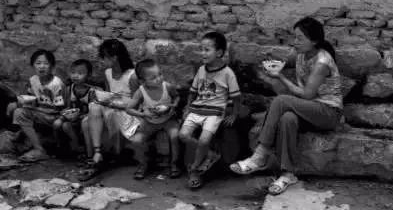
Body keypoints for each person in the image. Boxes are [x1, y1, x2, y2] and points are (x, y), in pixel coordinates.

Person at [230, 17, 343, 195]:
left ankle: (260, 154)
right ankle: (287, 174)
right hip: (308, 109)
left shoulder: (322, 62)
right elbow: (283, 61)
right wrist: (270, 64)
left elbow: (307, 94)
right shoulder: (300, 53)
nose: (294, 42)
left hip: (328, 113)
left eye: (300, 38)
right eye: (294, 37)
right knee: (287, 119)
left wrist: (281, 77)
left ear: (314, 41)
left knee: (281, 100)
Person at [179, 31, 241, 189]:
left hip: (215, 112)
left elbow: (236, 96)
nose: (203, 53)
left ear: (219, 53)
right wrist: (187, 107)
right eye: (201, 49)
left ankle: (194, 169)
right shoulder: (201, 69)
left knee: (204, 140)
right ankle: (210, 154)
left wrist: (234, 114)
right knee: (183, 135)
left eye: (207, 50)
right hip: (197, 109)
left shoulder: (227, 73)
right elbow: (192, 91)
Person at [80, 39, 139, 179]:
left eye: (104, 57)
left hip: (127, 112)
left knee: (95, 110)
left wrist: (114, 103)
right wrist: (102, 98)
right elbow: (108, 94)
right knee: (88, 116)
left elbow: (136, 103)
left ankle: (98, 155)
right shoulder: (107, 73)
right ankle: (95, 154)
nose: (101, 61)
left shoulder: (132, 76)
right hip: (111, 108)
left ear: (114, 58)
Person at [126, 59, 181, 180]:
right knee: (136, 141)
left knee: (175, 136)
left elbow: (177, 97)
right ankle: (143, 164)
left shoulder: (167, 86)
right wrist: (143, 115)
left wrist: (171, 106)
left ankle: (174, 164)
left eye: (160, 74)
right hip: (149, 122)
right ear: (142, 81)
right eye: (153, 78)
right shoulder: (141, 91)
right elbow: (129, 109)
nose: (159, 79)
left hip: (168, 120)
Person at [13, 49, 65, 162]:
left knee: (22, 112)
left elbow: (59, 108)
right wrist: (23, 102)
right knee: (19, 112)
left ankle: (49, 147)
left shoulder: (56, 83)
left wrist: (35, 107)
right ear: (33, 66)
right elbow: (32, 99)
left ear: (52, 66)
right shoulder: (33, 80)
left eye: (46, 63)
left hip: (54, 116)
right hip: (40, 113)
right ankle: (39, 149)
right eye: (38, 63)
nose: (42, 66)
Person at [53, 59, 95, 159]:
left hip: (85, 119)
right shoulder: (69, 88)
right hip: (72, 118)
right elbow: (68, 106)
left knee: (72, 124)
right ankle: (70, 147)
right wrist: (64, 113)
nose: (75, 76)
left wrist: (84, 115)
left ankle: (83, 149)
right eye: (73, 72)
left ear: (88, 75)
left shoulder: (91, 91)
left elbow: (94, 110)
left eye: (80, 73)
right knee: (60, 124)